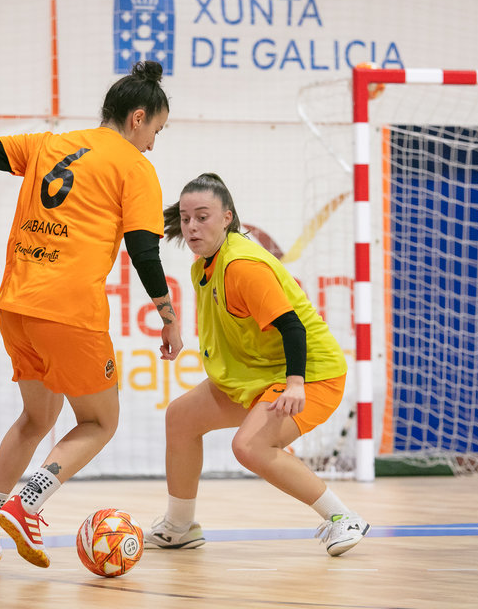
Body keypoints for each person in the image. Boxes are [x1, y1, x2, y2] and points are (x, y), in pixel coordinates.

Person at [0, 61, 183, 567]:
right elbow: (144, 249)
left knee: (36, 418)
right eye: (156, 130)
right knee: (99, 422)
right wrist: (169, 316)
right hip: (69, 312)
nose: (154, 143)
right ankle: (28, 505)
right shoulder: (135, 168)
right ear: (138, 118)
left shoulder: (50, 144)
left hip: (16, 306)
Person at [147, 173, 369, 556]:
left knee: (250, 446)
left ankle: (342, 517)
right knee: (181, 417)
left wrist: (295, 384)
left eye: (203, 216)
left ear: (228, 217)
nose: (192, 226)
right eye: (185, 218)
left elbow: (292, 327)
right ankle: (180, 526)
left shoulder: (243, 265)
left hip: (311, 375)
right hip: (258, 375)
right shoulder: (203, 267)